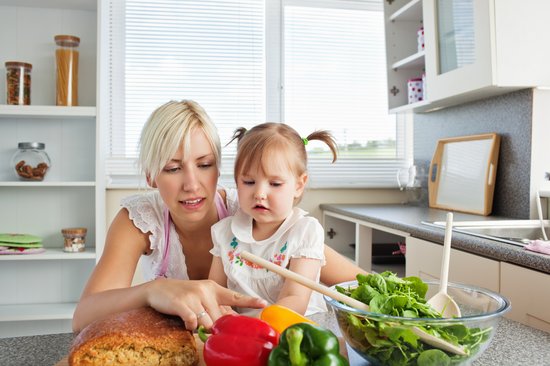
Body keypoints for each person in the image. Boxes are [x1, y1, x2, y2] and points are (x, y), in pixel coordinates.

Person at [72, 100, 365, 333]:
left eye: (205, 164)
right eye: (173, 168)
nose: (192, 184)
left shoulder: (252, 210)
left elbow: (356, 282)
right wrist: (153, 290)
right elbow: (83, 318)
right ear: (151, 176)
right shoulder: (140, 219)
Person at [208, 123, 337, 316]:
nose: (259, 193)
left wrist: (248, 325)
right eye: (249, 182)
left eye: (275, 184)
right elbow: (215, 292)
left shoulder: (305, 231)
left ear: (299, 185)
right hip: (248, 335)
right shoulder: (224, 233)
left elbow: (295, 299)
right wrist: (221, 311)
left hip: (298, 331)